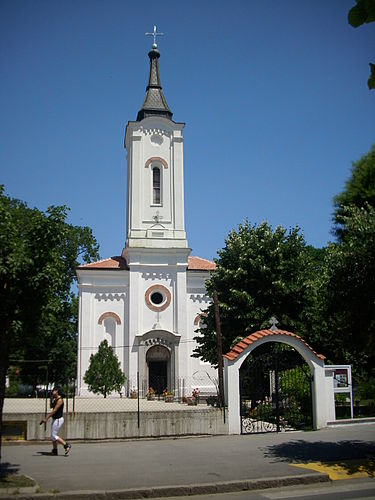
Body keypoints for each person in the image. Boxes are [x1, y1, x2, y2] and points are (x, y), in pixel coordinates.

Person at [41, 386, 71, 456]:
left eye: (53, 390)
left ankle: (66, 445)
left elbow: (54, 411)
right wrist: (51, 399)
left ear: (57, 391)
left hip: (58, 420)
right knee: (52, 436)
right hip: (55, 419)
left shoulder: (60, 400)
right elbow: (51, 406)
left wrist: (46, 418)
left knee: (53, 435)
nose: (52, 392)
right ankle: (55, 450)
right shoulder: (55, 399)